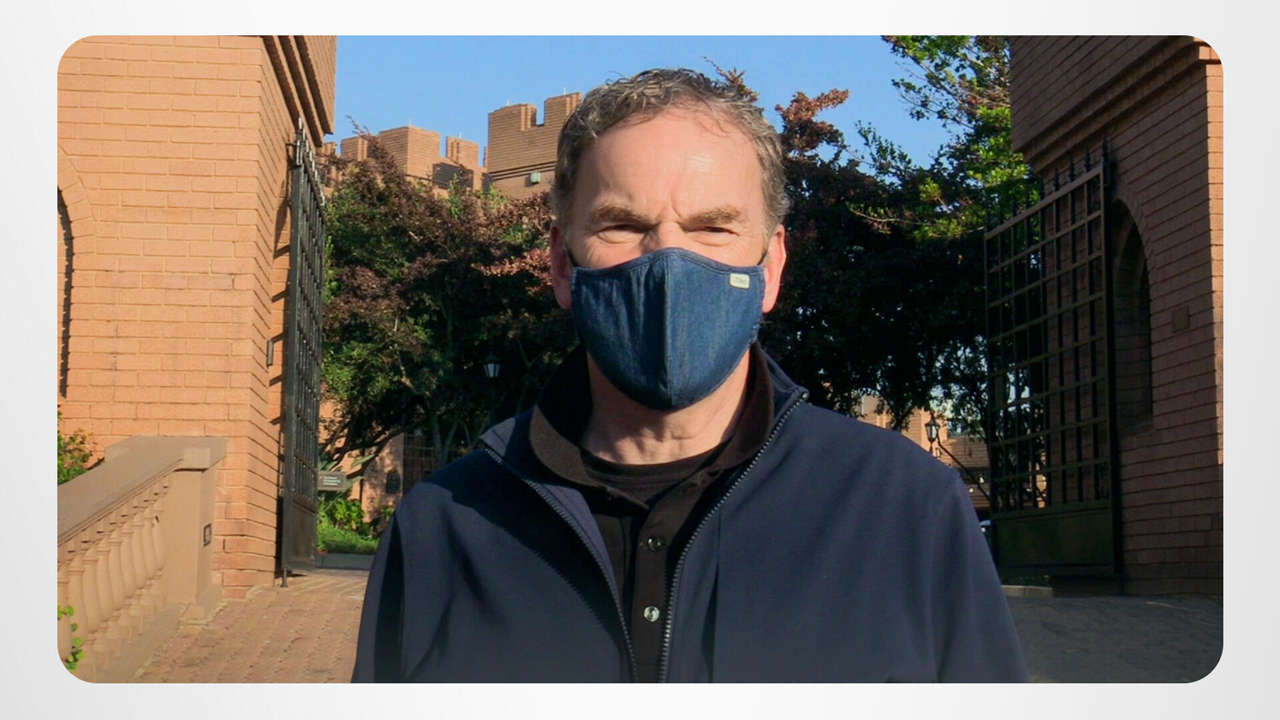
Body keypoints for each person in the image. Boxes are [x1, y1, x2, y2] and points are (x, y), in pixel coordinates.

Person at [352, 68, 1027, 683]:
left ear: (770, 268)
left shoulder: (905, 510)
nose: (668, 260)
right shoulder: (444, 526)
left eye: (712, 228)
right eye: (623, 225)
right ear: (561, 264)